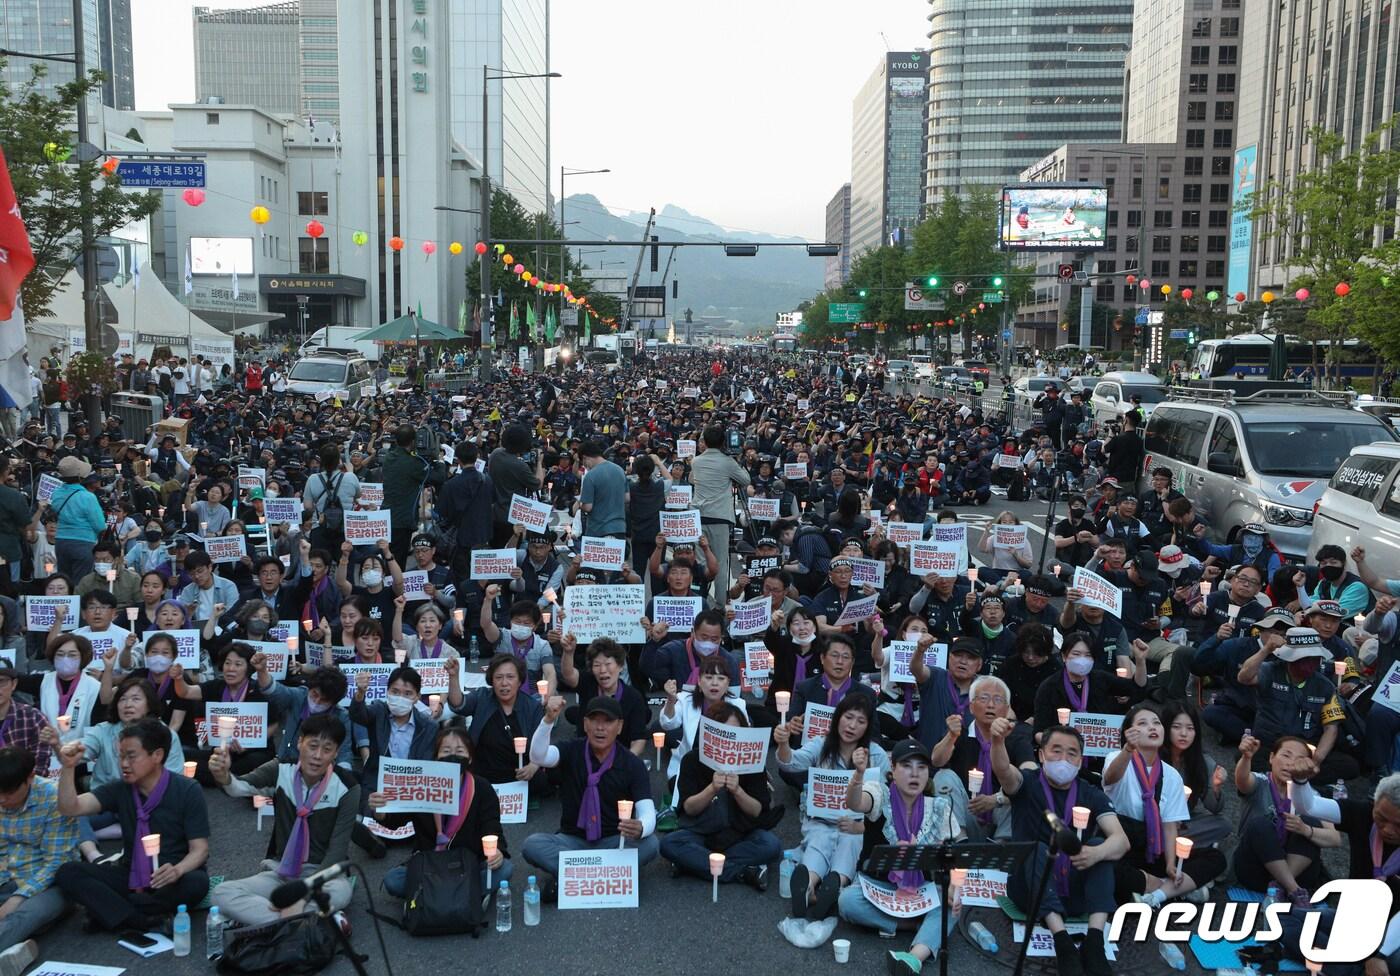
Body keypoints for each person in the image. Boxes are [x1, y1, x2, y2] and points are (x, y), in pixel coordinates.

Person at [990, 719, 1128, 976]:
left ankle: (1094, 942)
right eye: (1056, 750)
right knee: (1036, 848)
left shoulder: (1090, 792)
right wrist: (998, 741)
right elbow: (1003, 770)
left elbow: (1121, 840)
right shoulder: (1027, 782)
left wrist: (1096, 853)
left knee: (1103, 845)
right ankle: (1062, 942)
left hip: (1073, 888)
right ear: (1041, 755)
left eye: (1072, 753)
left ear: (1080, 761)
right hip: (1029, 888)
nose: (1064, 758)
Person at [54, 718, 211, 932]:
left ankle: (112, 912)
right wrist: (68, 768)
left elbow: (199, 850)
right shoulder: (121, 789)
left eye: (131, 756)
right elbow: (70, 808)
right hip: (132, 873)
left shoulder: (187, 789)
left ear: (157, 755)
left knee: (197, 883)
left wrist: (177, 870)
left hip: (172, 874)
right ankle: (140, 918)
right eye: (121, 756)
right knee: (68, 872)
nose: (124, 764)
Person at [208, 712, 358, 926]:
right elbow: (239, 787)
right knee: (222, 893)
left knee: (342, 892)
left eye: (327, 749)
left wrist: (304, 893)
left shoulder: (348, 787)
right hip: (281, 872)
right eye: (312, 746)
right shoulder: (281, 769)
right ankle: (304, 918)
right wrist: (223, 775)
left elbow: (337, 851)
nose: (317, 755)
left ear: (335, 753)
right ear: (299, 743)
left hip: (322, 875)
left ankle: (270, 918)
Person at [839, 738, 962, 974]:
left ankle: (913, 958)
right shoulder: (880, 794)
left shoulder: (938, 807)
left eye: (922, 767)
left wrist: (953, 887)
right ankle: (914, 925)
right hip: (878, 886)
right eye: (906, 766)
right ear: (892, 769)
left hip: (921, 890)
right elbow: (855, 803)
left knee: (954, 902)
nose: (914, 773)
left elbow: (952, 857)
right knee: (847, 901)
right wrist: (858, 773)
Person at [523, 695, 659, 897]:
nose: (600, 728)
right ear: (586, 724)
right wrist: (548, 720)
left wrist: (641, 827)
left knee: (651, 843)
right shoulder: (572, 750)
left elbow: (647, 812)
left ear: (620, 726)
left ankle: (573, 874)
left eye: (608, 721)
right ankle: (611, 872)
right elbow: (538, 756)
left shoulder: (632, 764)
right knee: (532, 845)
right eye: (594, 720)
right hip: (573, 839)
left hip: (615, 839)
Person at [776, 694, 888, 922]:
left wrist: (861, 825)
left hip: (855, 825)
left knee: (849, 843)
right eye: (848, 717)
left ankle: (835, 883)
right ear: (838, 718)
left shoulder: (875, 754)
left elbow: (882, 798)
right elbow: (790, 763)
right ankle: (808, 885)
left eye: (860, 721)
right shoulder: (821, 744)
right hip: (820, 819)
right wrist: (783, 742)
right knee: (818, 841)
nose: (852, 725)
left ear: (867, 727)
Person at [1101, 704, 1225, 906]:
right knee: (1104, 865)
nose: (1152, 727)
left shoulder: (1172, 774)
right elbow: (1110, 778)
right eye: (1143, 723)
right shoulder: (1117, 758)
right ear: (1129, 732)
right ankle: (1170, 887)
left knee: (1216, 858)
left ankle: (1157, 894)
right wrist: (1127, 750)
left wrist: (1169, 864)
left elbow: (1169, 826)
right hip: (1122, 844)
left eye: (1156, 723)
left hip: (1154, 847)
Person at [660, 700, 780, 891]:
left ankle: (694, 864)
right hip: (701, 832)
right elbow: (688, 808)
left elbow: (757, 810)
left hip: (740, 834)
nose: (729, 739)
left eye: (735, 732)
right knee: (669, 844)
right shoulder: (692, 759)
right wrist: (711, 789)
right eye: (722, 732)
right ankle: (743, 872)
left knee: (771, 845)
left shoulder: (753, 763)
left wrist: (738, 791)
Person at [379, 727, 511, 898]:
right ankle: (460, 895)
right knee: (393, 880)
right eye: (446, 751)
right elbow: (397, 820)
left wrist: (498, 852)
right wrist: (380, 811)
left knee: (505, 868)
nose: (453, 756)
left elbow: (491, 826)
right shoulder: (423, 784)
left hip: (468, 864)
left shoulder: (482, 787)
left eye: (460, 751)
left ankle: (436, 895)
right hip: (430, 863)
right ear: (436, 757)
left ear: (470, 757)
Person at [1231, 733, 1340, 902]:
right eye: (1286, 755)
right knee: (1260, 825)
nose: (1290, 763)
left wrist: (1305, 830)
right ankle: (1294, 890)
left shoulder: (1311, 796)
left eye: (1299, 759)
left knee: (1310, 824)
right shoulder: (1260, 782)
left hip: (1297, 871)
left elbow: (1335, 839)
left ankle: (1280, 887)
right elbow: (1242, 781)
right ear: (1272, 757)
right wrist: (1246, 757)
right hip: (1255, 869)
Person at [0, 745, 78, 974]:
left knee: (29, 912)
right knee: (18, 917)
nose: (2, 799)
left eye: (9, 792)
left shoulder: (53, 798)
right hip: (6, 877)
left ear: (30, 777)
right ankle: (12, 951)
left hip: (47, 884)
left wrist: (17, 898)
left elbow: (56, 861)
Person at [446, 655, 546, 791]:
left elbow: (541, 743)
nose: (504, 683)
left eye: (510, 677)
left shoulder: (532, 706)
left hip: (519, 771)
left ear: (519, 681)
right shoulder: (482, 696)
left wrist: (533, 766)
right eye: (498, 677)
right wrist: (453, 677)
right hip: (483, 770)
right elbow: (459, 704)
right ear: (491, 681)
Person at [689, 425, 751, 601]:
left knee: (701, 562)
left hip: (698, 516)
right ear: (724, 442)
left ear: (705, 442)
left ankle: (699, 599)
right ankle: (720, 605)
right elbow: (745, 480)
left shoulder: (696, 461)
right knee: (721, 563)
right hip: (720, 518)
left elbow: (691, 479)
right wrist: (738, 459)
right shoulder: (728, 462)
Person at [381, 426, 446, 567]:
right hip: (402, 519)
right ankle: (395, 587)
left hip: (387, 515)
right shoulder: (412, 463)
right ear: (413, 442)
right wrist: (439, 460)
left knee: (389, 558)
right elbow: (439, 477)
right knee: (397, 562)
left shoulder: (389, 457)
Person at [49, 456, 106, 581]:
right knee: (81, 583)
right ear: (80, 477)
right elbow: (100, 525)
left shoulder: (56, 493)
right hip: (83, 542)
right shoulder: (87, 496)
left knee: (64, 580)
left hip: (61, 541)